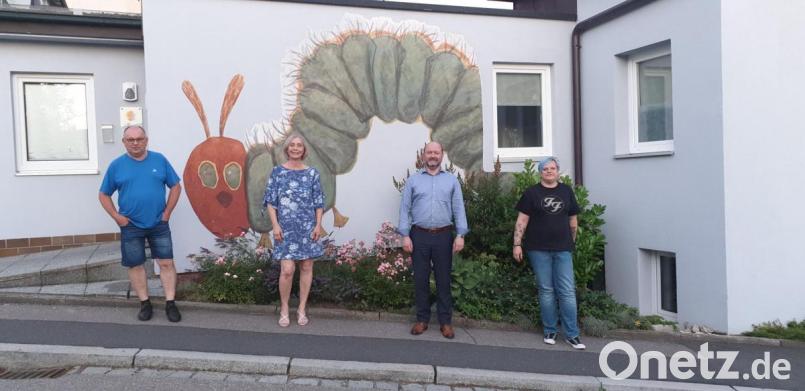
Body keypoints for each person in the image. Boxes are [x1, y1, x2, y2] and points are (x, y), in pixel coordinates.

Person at [99, 125, 183, 322]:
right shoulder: (116, 166)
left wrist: (167, 213)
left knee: (166, 263)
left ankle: (170, 303)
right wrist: (116, 216)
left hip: (158, 223)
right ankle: (145, 303)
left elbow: (176, 186)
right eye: (130, 140)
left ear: (146, 140)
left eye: (139, 139)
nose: (135, 143)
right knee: (136, 265)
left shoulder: (159, 160)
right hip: (131, 225)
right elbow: (103, 194)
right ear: (124, 142)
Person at [512, 157, 585, 350]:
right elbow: (521, 221)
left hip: (563, 249)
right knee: (546, 290)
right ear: (540, 172)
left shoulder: (567, 191)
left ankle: (572, 335)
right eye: (546, 169)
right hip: (538, 248)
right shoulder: (531, 193)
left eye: (553, 168)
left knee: (567, 291)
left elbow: (573, 221)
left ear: (558, 171)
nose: (549, 171)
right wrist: (517, 244)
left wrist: (571, 242)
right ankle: (550, 330)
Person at [398, 141, 468, 339]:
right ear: (423, 155)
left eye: (436, 152)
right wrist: (405, 235)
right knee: (420, 279)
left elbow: (458, 209)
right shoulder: (413, 181)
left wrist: (460, 235)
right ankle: (422, 320)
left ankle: (445, 322)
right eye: (429, 152)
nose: (433, 156)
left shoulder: (452, 181)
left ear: (442, 155)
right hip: (418, 235)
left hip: (444, 236)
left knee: (443, 280)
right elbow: (405, 209)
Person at [263, 134, 324, 327]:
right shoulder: (277, 173)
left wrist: (317, 225)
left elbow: (319, 203)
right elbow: (271, 203)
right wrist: (275, 225)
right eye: (292, 145)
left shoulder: (313, 173)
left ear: (304, 150)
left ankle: (301, 309)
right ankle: (284, 308)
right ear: (287, 149)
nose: (296, 148)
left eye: (299, 145)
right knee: (287, 270)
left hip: (308, 229)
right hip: (285, 230)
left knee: (306, 267)